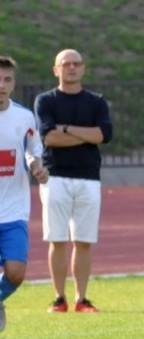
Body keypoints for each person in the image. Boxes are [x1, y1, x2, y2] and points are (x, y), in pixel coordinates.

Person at [34, 49, 113, 313]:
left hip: (88, 177)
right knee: (57, 239)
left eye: (76, 63)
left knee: (84, 240)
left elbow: (103, 135)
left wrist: (65, 128)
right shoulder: (45, 101)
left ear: (83, 68)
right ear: (56, 69)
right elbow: (49, 137)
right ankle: (59, 297)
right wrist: (86, 134)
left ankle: (82, 298)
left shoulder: (96, 101)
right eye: (65, 64)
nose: (71, 68)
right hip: (55, 176)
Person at [0, 56, 49, 338]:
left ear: (14, 84)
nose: (1, 85)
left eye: (7, 79)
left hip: (14, 211)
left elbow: (34, 151)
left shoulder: (24, 117)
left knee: (16, 273)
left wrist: (36, 168)